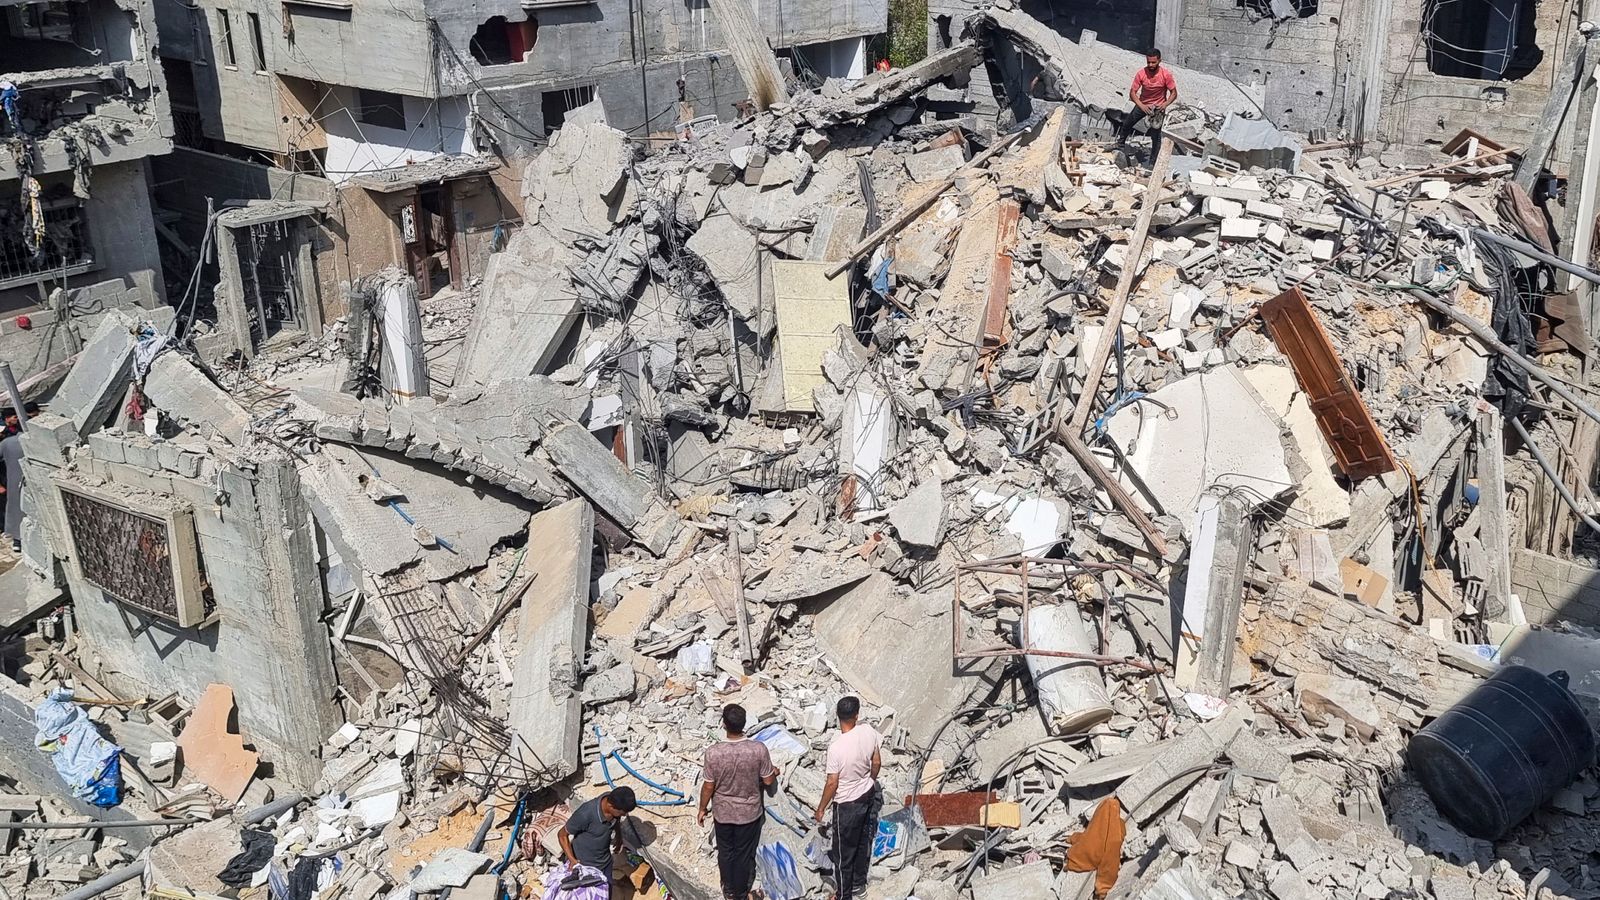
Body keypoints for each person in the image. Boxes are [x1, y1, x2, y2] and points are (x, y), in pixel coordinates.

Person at [698, 704, 778, 900]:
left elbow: (708, 786)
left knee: (725, 852)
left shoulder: (713, 752)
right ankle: (741, 893)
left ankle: (728, 890)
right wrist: (774, 771)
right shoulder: (758, 749)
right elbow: (768, 780)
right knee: (743, 855)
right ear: (744, 724)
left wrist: (702, 808)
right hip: (749, 813)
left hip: (723, 813)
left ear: (724, 724)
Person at [813, 696, 883, 900]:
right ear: (857, 715)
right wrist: (869, 780)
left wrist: (820, 808)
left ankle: (844, 896)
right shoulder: (869, 731)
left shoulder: (836, 748)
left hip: (846, 805)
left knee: (843, 854)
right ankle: (858, 885)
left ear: (837, 716)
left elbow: (832, 783)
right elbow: (877, 762)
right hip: (867, 795)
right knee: (862, 843)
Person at [558, 787, 638, 895]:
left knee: (606, 891)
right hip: (586, 867)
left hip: (605, 863)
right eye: (622, 813)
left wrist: (619, 838)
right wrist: (573, 860)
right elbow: (562, 835)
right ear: (611, 806)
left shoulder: (614, 800)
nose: (624, 815)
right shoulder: (586, 814)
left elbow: (616, 820)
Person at [1117, 49, 1177, 146]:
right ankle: (1120, 145)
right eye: (1148, 62)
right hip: (1143, 104)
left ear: (1159, 61)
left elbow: (1174, 93)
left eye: (1153, 62)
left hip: (1158, 108)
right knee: (1127, 124)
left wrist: (1164, 105)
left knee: (1155, 135)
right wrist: (1142, 106)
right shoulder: (1141, 73)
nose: (1151, 65)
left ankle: (1153, 160)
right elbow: (1132, 93)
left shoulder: (1166, 75)